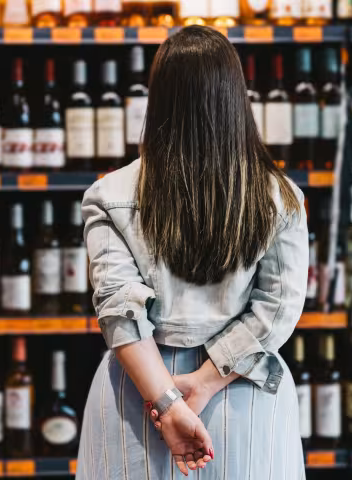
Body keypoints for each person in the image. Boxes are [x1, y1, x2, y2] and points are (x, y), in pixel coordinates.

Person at [77, 26, 308, 480]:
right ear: (234, 96)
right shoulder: (281, 195)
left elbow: (119, 312)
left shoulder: (109, 193)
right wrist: (202, 385)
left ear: (157, 97)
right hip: (244, 390)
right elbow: (279, 309)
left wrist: (166, 400)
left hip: (137, 396)